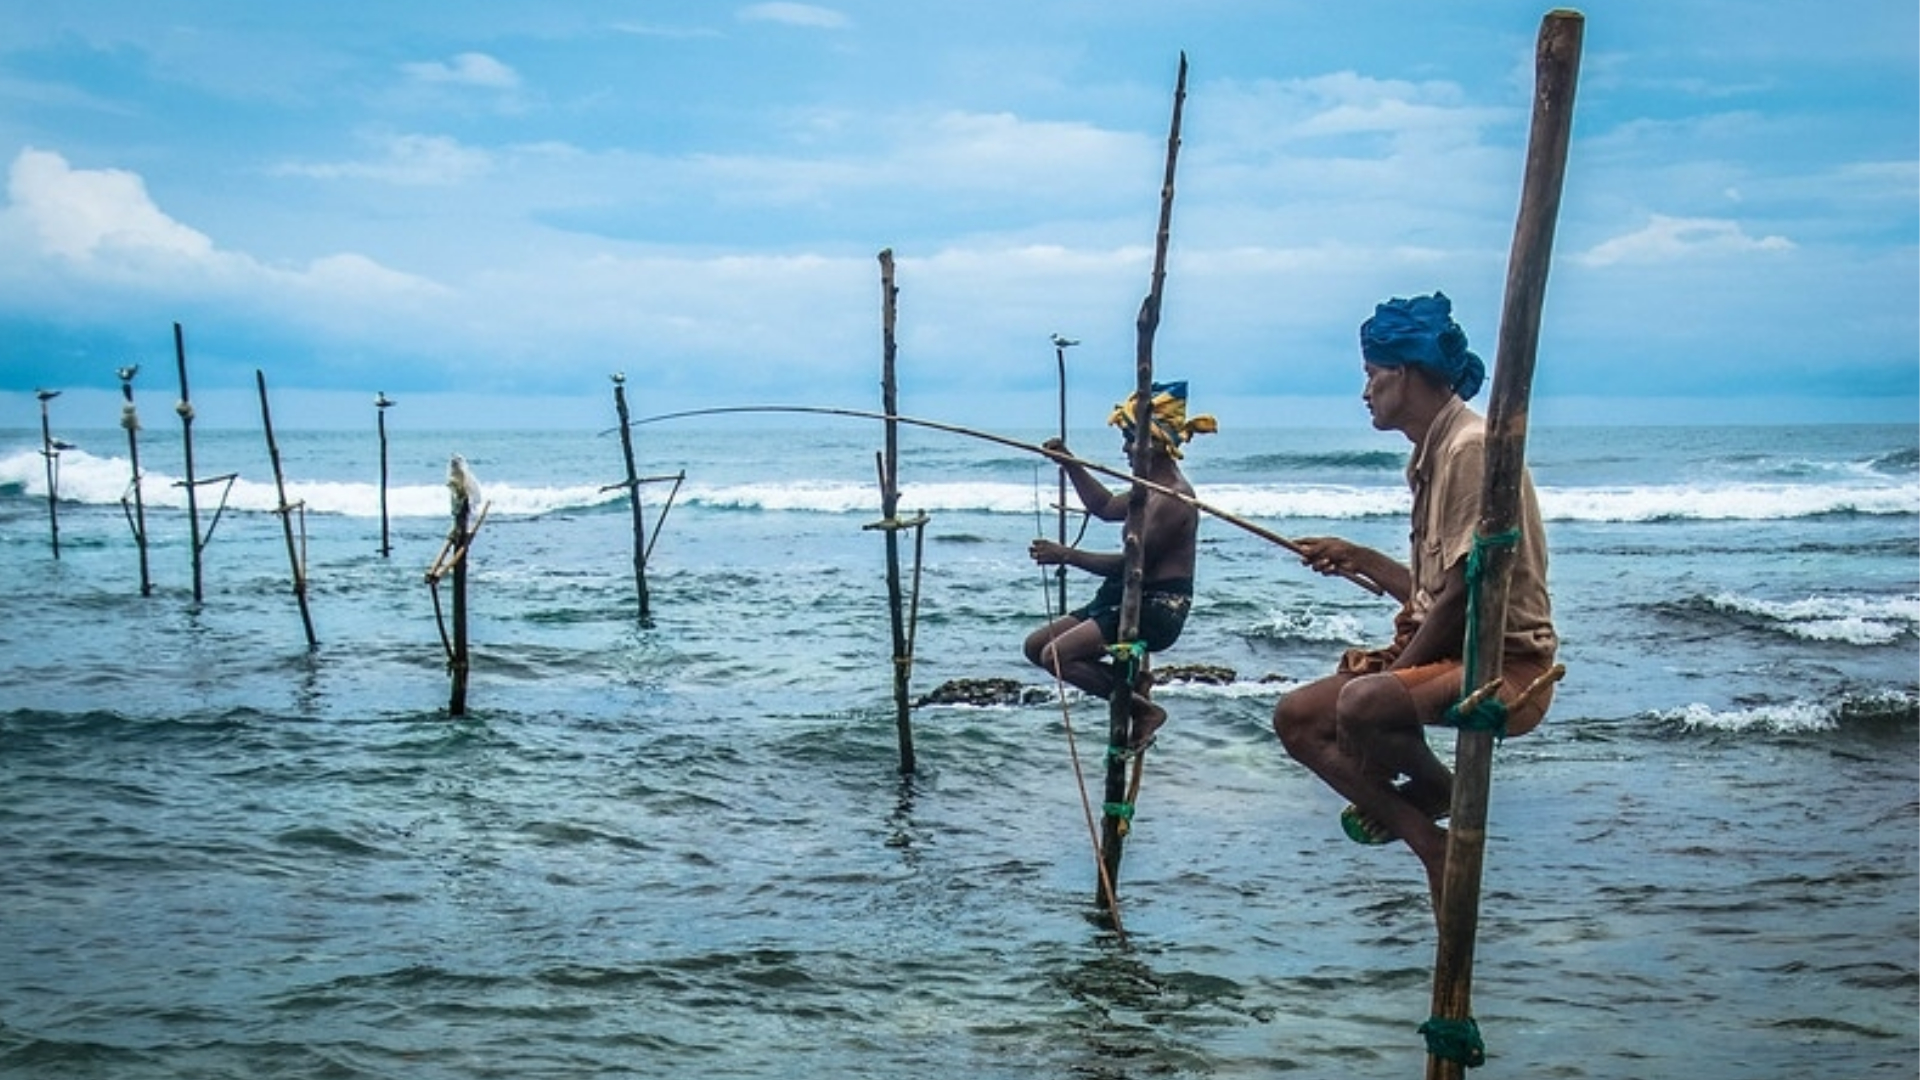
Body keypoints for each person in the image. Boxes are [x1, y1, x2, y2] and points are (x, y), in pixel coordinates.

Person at [1271, 292, 1557, 913]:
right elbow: (1439, 593)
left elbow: (1462, 599)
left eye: (1373, 375)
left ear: (1404, 372)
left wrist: (1389, 682)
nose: (1366, 391)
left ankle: (1437, 794)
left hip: (1505, 666)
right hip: (1454, 650)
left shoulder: (1469, 448)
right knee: (1297, 717)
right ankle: (1427, 837)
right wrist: (1361, 559)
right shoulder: (1430, 455)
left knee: (1364, 703)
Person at [1024, 380, 1217, 749]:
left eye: (1131, 440)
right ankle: (1128, 688)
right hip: (1121, 596)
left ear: (1155, 444)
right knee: (1036, 646)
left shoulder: (1172, 498)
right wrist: (1070, 463)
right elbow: (1105, 507)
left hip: (1157, 606)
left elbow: (1131, 567)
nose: (1125, 449)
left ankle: (1141, 709)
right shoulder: (1144, 488)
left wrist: (1067, 555)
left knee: (1057, 657)